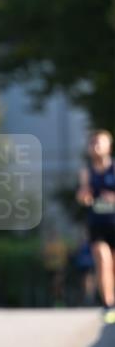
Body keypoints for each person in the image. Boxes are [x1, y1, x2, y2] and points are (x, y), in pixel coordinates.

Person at [76, 129, 115, 324]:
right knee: (102, 260)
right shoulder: (86, 172)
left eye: (100, 142)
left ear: (109, 146)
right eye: (92, 143)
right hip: (97, 225)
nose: (96, 146)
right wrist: (84, 196)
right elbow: (82, 196)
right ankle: (109, 305)